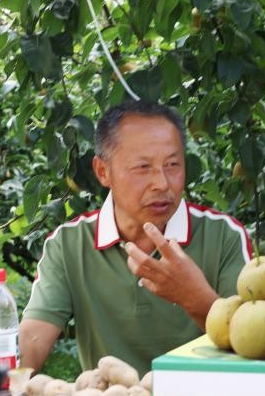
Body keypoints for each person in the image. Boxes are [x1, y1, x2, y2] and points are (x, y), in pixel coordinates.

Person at [19, 100, 252, 376]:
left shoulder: (223, 236)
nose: (162, 183)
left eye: (173, 164)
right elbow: (33, 338)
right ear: (103, 171)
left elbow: (251, 346)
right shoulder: (69, 244)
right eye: (143, 167)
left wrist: (194, 297)